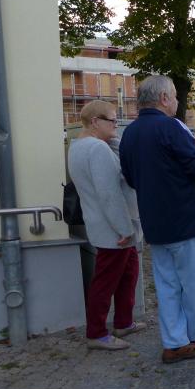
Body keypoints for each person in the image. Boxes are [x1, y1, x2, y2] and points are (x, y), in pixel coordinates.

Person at [119, 76, 195, 364]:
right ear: (164, 98)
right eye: (175, 96)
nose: (177, 101)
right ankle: (191, 336)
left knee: (167, 285)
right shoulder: (170, 127)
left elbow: (130, 178)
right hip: (187, 220)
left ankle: (176, 340)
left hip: (156, 222)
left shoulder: (130, 133)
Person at [68, 100, 145, 350]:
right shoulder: (97, 149)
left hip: (105, 224)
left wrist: (111, 138)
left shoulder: (80, 146)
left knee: (128, 273)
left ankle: (124, 322)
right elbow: (109, 193)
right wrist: (125, 230)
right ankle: (96, 333)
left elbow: (118, 163)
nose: (116, 125)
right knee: (105, 282)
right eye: (112, 120)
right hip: (114, 229)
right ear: (95, 122)